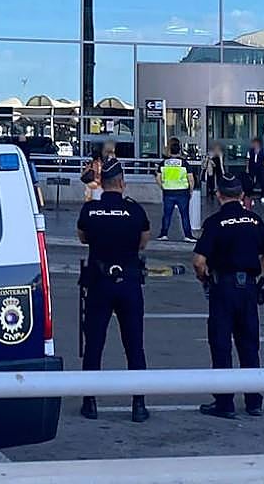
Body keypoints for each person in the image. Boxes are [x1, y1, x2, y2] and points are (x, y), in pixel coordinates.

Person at [193, 174, 264, 419]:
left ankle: (225, 402)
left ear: (219, 195)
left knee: (221, 344)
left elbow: (199, 261)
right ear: (242, 195)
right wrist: (253, 273)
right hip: (249, 289)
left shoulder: (215, 222)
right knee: (249, 344)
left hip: (223, 288)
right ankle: (254, 401)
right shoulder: (254, 220)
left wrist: (205, 278)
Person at [77, 157, 152, 423]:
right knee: (134, 344)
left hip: (99, 282)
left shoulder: (90, 211)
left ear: (104, 182)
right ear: (121, 182)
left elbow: (83, 237)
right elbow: (143, 242)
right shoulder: (135, 211)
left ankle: (90, 401)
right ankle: (139, 404)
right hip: (129, 283)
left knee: (94, 342)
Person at [157, 141, 196, 242]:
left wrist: (163, 187)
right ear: (179, 151)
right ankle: (188, 235)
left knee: (167, 215)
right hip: (182, 192)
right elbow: (191, 179)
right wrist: (191, 190)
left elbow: (158, 178)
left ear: (170, 151)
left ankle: (163, 234)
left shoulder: (163, 163)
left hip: (168, 192)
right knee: (184, 215)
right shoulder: (184, 163)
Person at [246, 138, 264, 203]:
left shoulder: (263, 151)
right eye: (254, 143)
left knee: (262, 182)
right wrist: (247, 168)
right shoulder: (250, 151)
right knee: (251, 182)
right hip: (252, 168)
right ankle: (249, 196)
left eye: (256, 143)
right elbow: (248, 160)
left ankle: (263, 196)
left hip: (261, 168)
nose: (255, 145)